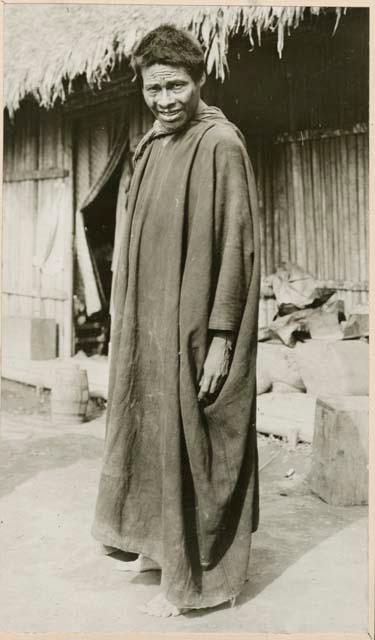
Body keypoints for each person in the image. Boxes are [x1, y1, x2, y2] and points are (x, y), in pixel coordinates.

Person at [92, 24, 260, 618]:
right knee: (149, 427)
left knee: (192, 435)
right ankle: (158, 547)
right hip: (147, 323)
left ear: (199, 80)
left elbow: (236, 246)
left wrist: (220, 338)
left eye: (177, 86)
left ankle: (200, 579)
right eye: (154, 87)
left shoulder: (220, 144)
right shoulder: (148, 146)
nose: (165, 100)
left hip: (192, 323)